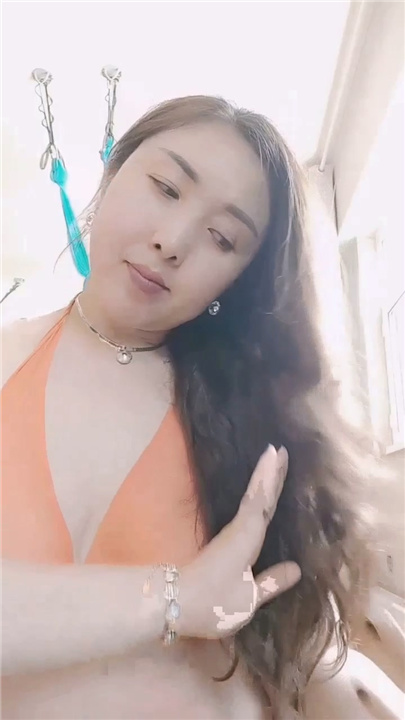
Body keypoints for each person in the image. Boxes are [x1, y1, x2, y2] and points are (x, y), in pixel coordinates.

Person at [1, 95, 399, 720]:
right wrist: (175, 598)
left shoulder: (248, 423)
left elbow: (302, 642)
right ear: (112, 174)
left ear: (237, 281)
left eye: (223, 238)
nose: (172, 241)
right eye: (165, 188)